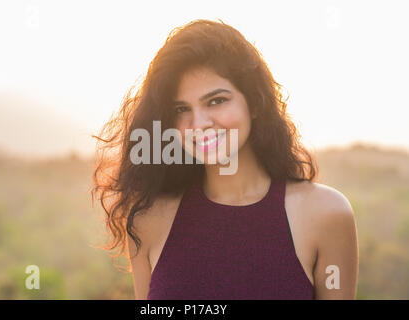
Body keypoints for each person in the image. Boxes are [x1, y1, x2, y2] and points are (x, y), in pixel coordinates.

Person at [91, 19, 358, 300]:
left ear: (254, 102)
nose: (199, 123)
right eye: (182, 109)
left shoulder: (326, 214)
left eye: (216, 101)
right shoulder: (150, 220)